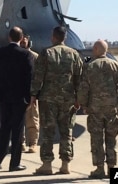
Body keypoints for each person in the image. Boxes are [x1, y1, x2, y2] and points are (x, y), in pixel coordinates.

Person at [30, 26, 83, 175]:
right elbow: (80, 78)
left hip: (48, 99)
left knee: (48, 131)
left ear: (53, 37)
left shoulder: (46, 53)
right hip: (68, 99)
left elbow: (38, 77)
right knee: (67, 132)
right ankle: (65, 164)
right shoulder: (74, 54)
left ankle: (47, 165)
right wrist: (79, 98)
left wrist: (33, 95)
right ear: (64, 38)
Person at [77, 39, 118, 179]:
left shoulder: (90, 67)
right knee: (111, 138)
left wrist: (84, 106)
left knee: (97, 139)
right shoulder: (115, 65)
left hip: (95, 110)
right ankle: (112, 168)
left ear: (95, 49)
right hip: (111, 108)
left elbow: (83, 89)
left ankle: (99, 169)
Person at [0, 26, 33, 172]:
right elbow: (29, 78)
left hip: (3, 98)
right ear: (21, 39)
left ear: (9, 37)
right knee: (17, 132)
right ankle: (14, 163)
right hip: (19, 99)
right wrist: (29, 99)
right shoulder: (26, 55)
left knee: (4, 129)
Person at [20, 34, 40, 153]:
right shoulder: (14, 56)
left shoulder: (34, 57)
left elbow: (38, 76)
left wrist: (36, 93)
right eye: (21, 41)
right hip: (17, 93)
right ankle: (21, 142)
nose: (23, 42)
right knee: (18, 120)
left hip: (31, 93)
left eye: (25, 41)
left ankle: (33, 143)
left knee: (32, 119)